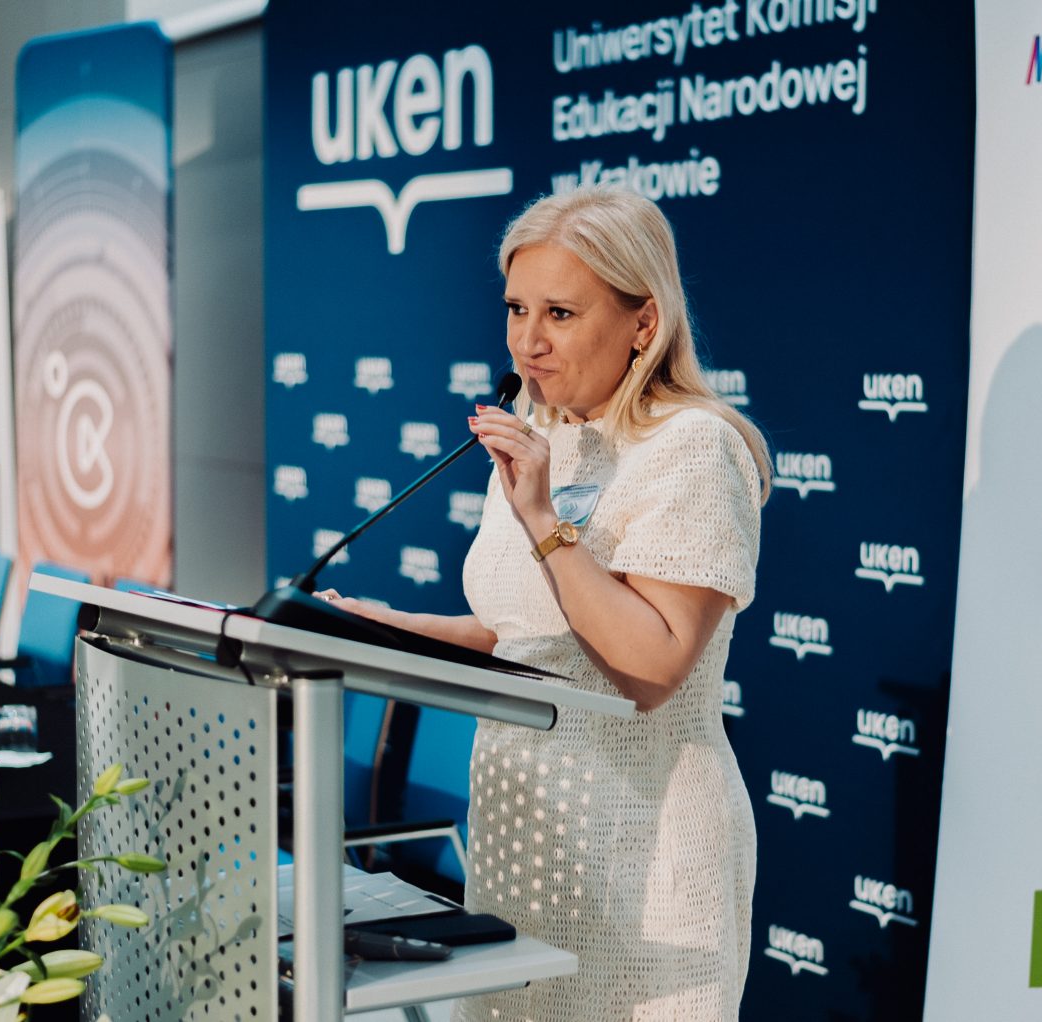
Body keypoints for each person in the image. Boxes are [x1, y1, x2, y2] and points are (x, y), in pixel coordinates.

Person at [324, 186, 772, 1020]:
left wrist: (540, 517)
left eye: (560, 313)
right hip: (525, 839)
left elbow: (649, 667)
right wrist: (387, 632)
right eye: (516, 308)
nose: (528, 341)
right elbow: (528, 634)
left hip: (643, 854)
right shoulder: (545, 432)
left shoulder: (692, 448)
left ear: (644, 322)